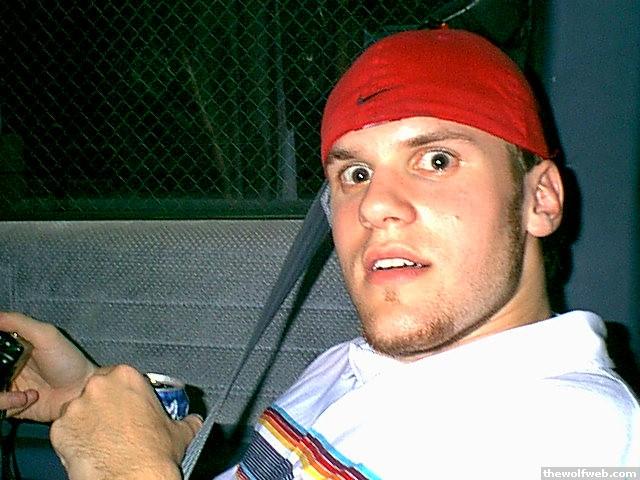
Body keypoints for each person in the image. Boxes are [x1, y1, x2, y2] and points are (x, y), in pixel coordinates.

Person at [0, 28, 638, 479]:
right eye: (354, 175)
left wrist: (124, 468)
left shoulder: (583, 435)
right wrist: (91, 396)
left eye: (436, 160)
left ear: (540, 199)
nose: (373, 205)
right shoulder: (351, 364)